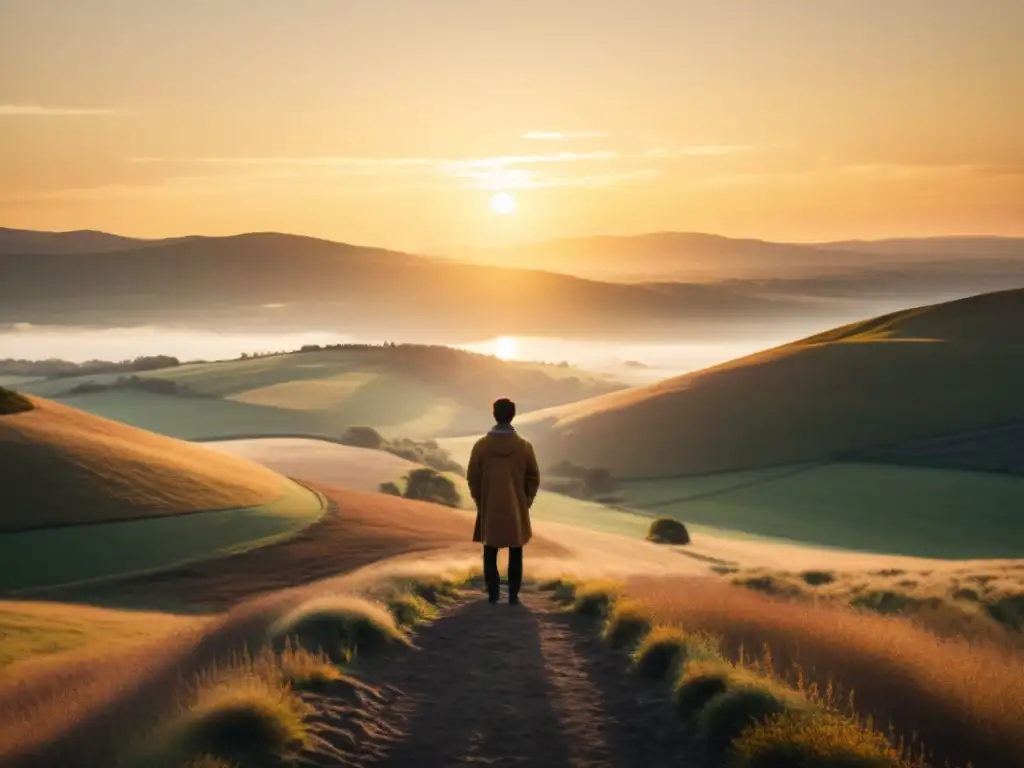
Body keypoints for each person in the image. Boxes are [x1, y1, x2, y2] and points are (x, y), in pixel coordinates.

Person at [467, 397, 541, 605]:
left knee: (490, 551)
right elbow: (533, 477)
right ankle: (513, 596)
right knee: (516, 551)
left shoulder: (481, 446)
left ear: (494, 415)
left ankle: (493, 595)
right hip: (516, 507)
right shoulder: (524, 447)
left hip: (489, 505)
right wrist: (525, 501)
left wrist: (481, 500)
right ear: (513, 416)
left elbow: (472, 477)